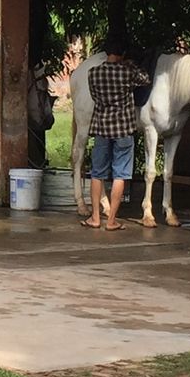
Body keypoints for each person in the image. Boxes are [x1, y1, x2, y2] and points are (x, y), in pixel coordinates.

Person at [82, 36, 149, 231]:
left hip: (102, 128)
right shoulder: (127, 72)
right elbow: (146, 79)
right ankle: (111, 221)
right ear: (123, 54)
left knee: (97, 173)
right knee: (120, 174)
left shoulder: (93, 73)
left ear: (106, 53)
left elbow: (95, 96)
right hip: (123, 129)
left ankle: (95, 218)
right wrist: (131, 65)